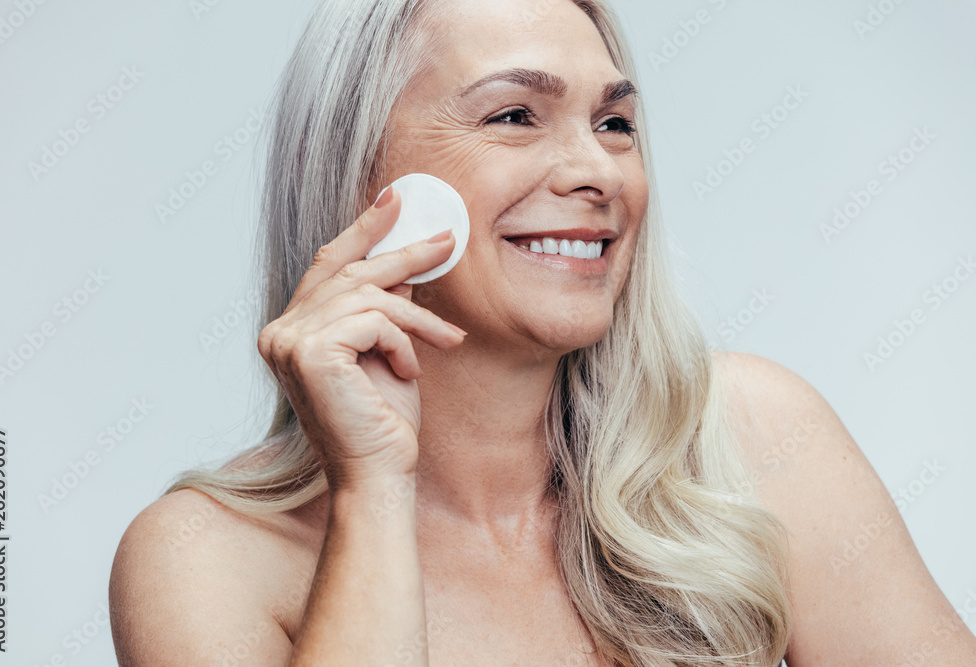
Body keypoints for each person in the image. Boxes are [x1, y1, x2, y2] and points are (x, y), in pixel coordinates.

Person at [108, 0, 976, 665]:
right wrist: (372, 489)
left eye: (615, 124)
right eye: (514, 116)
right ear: (354, 170)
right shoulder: (203, 557)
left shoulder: (754, 433)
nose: (598, 171)